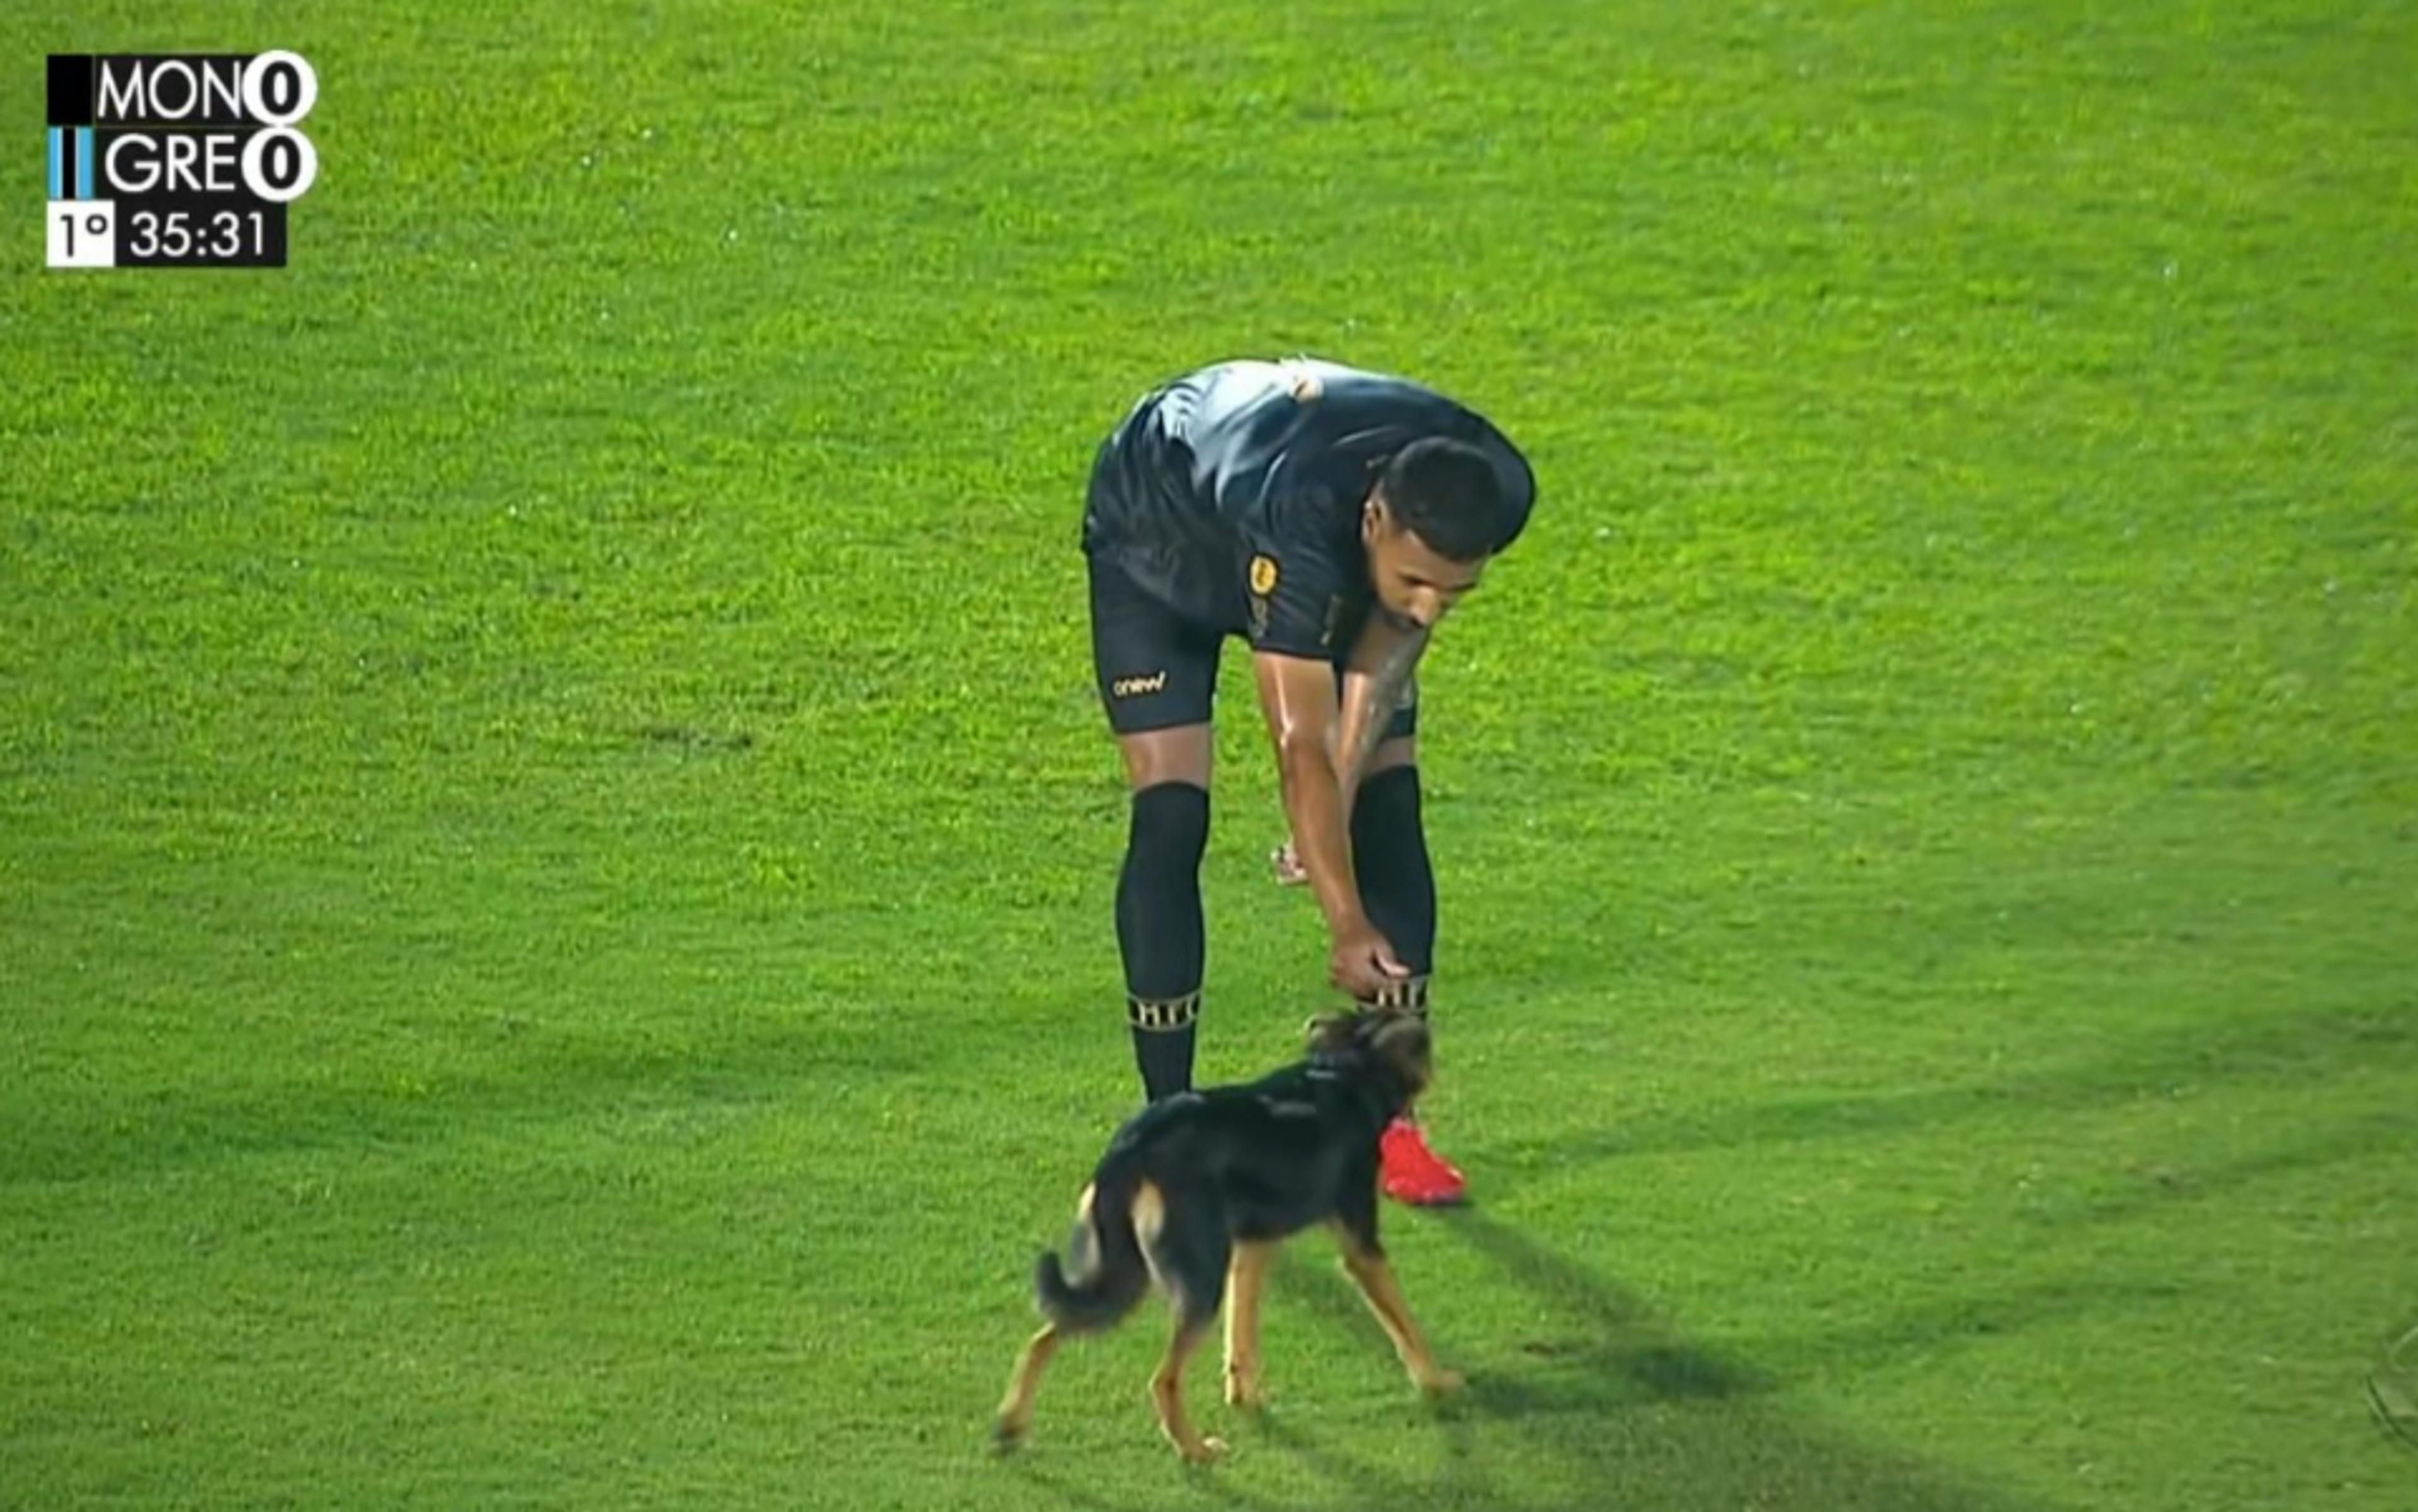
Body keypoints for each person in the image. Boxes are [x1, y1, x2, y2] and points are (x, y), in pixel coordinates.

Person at [1079, 355, 1536, 1205]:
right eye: (1417, 581)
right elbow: (1301, 744)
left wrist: (1344, 790)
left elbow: (1387, 657)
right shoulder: (1303, 511)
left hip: (1298, 527)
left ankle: (1391, 1121)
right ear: (1374, 520)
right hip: (1159, 534)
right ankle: (1168, 1130)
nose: (1433, 605)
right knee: (1173, 814)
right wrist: (1345, 920)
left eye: (1456, 590)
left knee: (1390, 801)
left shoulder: (1492, 485)